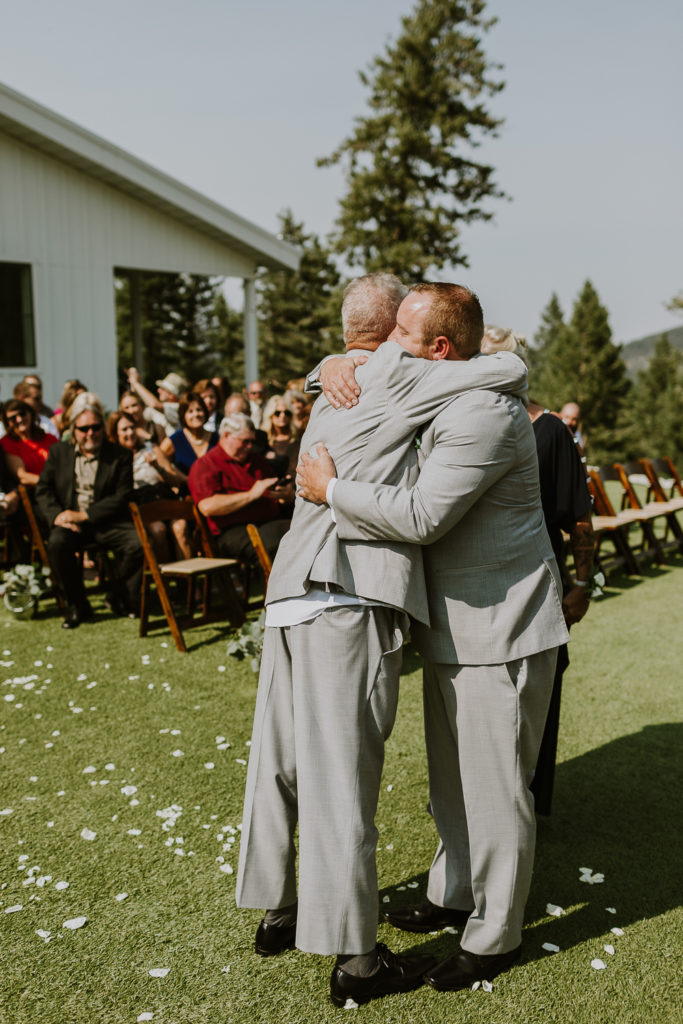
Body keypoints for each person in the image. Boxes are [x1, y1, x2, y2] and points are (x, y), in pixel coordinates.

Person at [236, 275, 530, 1008]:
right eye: (396, 329)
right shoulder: (403, 373)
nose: (398, 343)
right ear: (392, 334)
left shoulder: (331, 389)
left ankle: (278, 908)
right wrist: (490, 358)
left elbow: (349, 367)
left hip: (288, 594)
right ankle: (357, 961)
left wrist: (326, 366)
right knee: (343, 777)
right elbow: (501, 370)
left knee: (279, 763)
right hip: (347, 591)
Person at [295, 282, 569, 996]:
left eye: (401, 334)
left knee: (496, 789)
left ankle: (493, 934)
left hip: (501, 627)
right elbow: (360, 367)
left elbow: (422, 516)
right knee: (452, 784)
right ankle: (453, 893)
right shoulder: (442, 386)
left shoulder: (483, 413)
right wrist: (329, 365)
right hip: (452, 626)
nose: (387, 343)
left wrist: (331, 492)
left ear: (439, 349)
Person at [482, 327, 594, 814]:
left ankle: (527, 801)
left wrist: (582, 584)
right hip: (479, 587)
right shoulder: (468, 425)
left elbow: (580, 518)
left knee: (538, 693)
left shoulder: (551, 431)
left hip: (539, 583)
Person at [35, 393, 143, 629]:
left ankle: (118, 595)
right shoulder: (59, 452)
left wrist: (85, 515)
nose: (90, 433)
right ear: (74, 429)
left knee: (137, 542)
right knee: (57, 543)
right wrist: (57, 516)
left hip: (106, 521)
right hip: (69, 523)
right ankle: (78, 604)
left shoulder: (119, 455)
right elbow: (43, 490)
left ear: (103, 428)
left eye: (96, 427)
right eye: (84, 429)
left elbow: (123, 496)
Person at [188, 412, 293, 565]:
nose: (249, 446)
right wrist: (251, 495)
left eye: (251, 441)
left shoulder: (256, 460)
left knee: (301, 533)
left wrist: (286, 495)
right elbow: (207, 507)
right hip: (231, 531)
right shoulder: (206, 465)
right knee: (276, 543)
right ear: (226, 435)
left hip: (268, 523)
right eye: (244, 441)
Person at [108, 411, 190, 559]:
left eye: (132, 427)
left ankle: (188, 573)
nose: (130, 433)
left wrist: (157, 467)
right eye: (124, 429)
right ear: (115, 433)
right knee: (158, 530)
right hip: (141, 504)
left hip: (162, 497)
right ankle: (165, 571)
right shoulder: (114, 458)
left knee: (180, 527)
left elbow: (174, 480)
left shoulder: (150, 448)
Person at [160, 392, 218, 482]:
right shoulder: (176, 439)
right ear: (183, 416)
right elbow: (160, 461)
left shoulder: (216, 438)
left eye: (199, 410)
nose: (196, 414)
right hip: (185, 489)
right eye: (190, 411)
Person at [1, 399, 58, 487]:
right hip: (37, 489)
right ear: (7, 423)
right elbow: (22, 476)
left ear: (30, 413)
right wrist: (49, 483)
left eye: (22, 414)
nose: (19, 419)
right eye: (13, 418)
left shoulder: (49, 438)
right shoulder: (8, 443)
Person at [126, 367, 187, 436]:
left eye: (163, 389)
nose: (158, 390)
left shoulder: (179, 409)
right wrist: (133, 384)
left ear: (171, 395)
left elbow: (154, 404)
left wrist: (136, 383)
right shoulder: (162, 410)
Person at [260, 394, 300, 476]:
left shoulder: (297, 437)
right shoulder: (263, 438)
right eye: (277, 413)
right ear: (271, 415)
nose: (282, 416)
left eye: (286, 413)